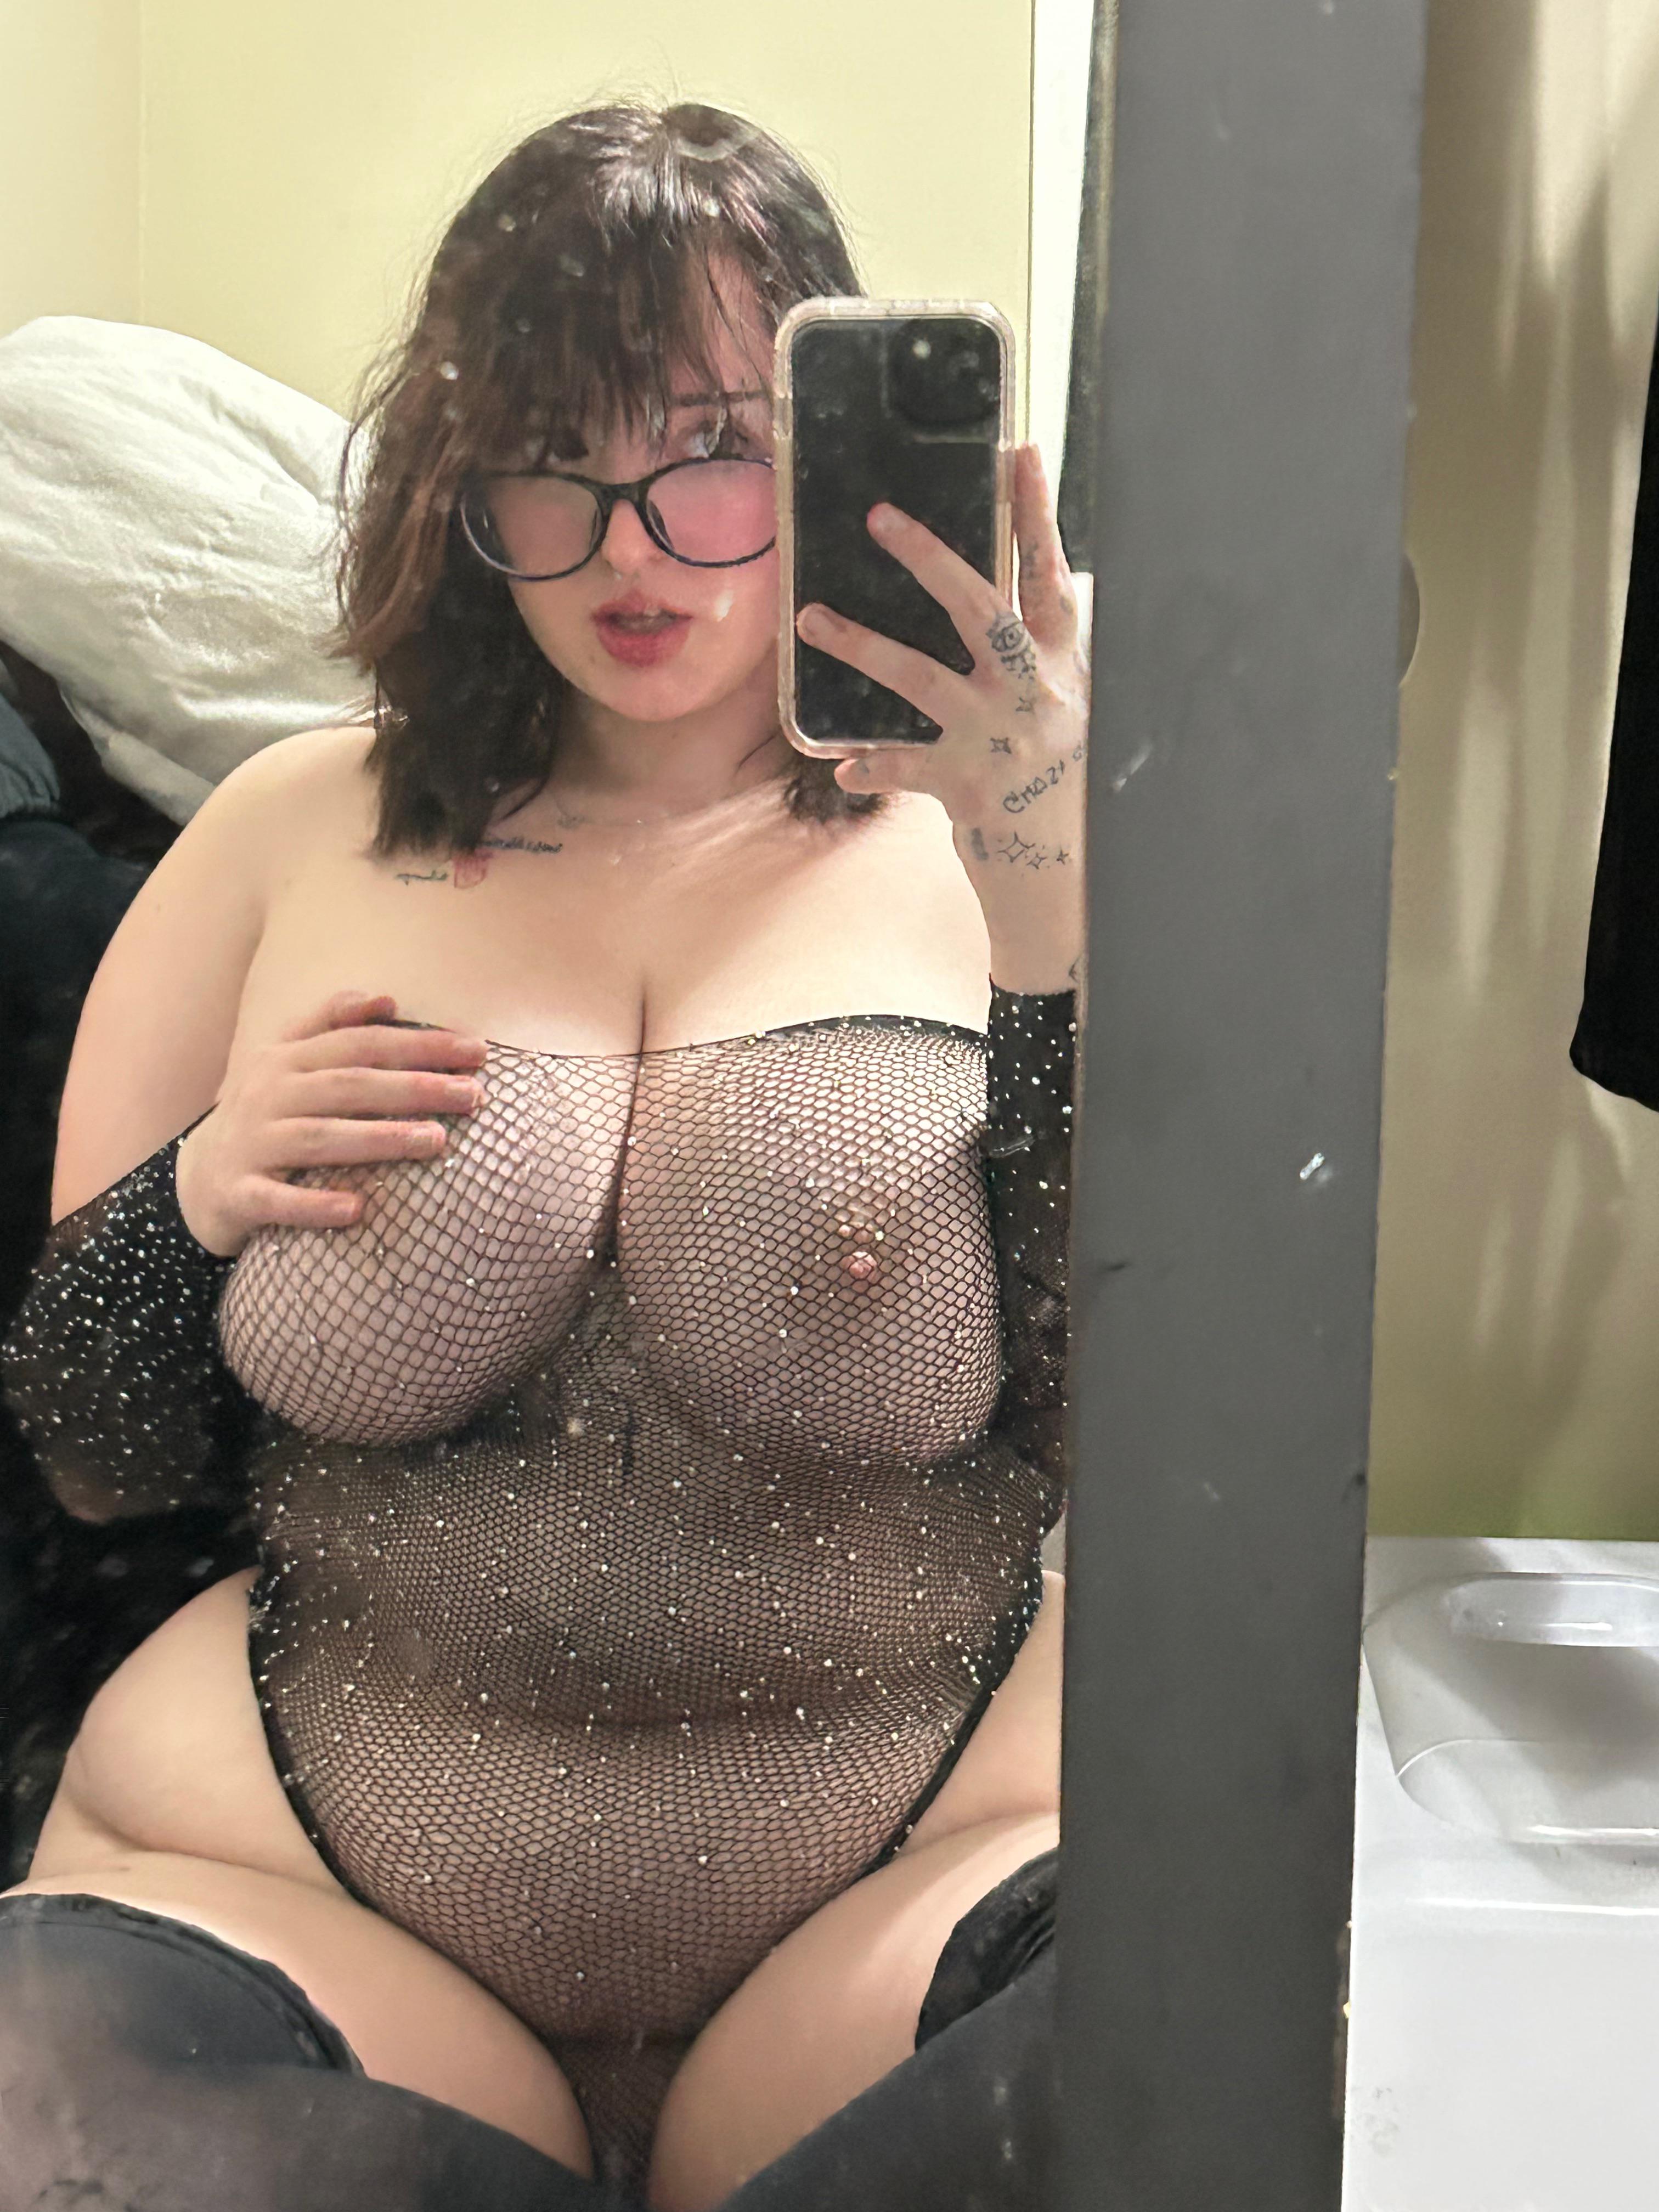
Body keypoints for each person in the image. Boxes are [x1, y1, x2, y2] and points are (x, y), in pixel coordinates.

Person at [0, 103, 1082, 2212]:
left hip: (911, 1891)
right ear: (457, 472)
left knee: (1210, 2051)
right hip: (300, 1894)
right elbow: (89, 1454)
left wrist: (1046, 902)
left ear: (832, 451)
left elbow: (1134, 1419)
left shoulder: (1009, 839)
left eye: (710, 450)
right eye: (549, 457)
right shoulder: (288, 831)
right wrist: (194, 1206)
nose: (627, 548)